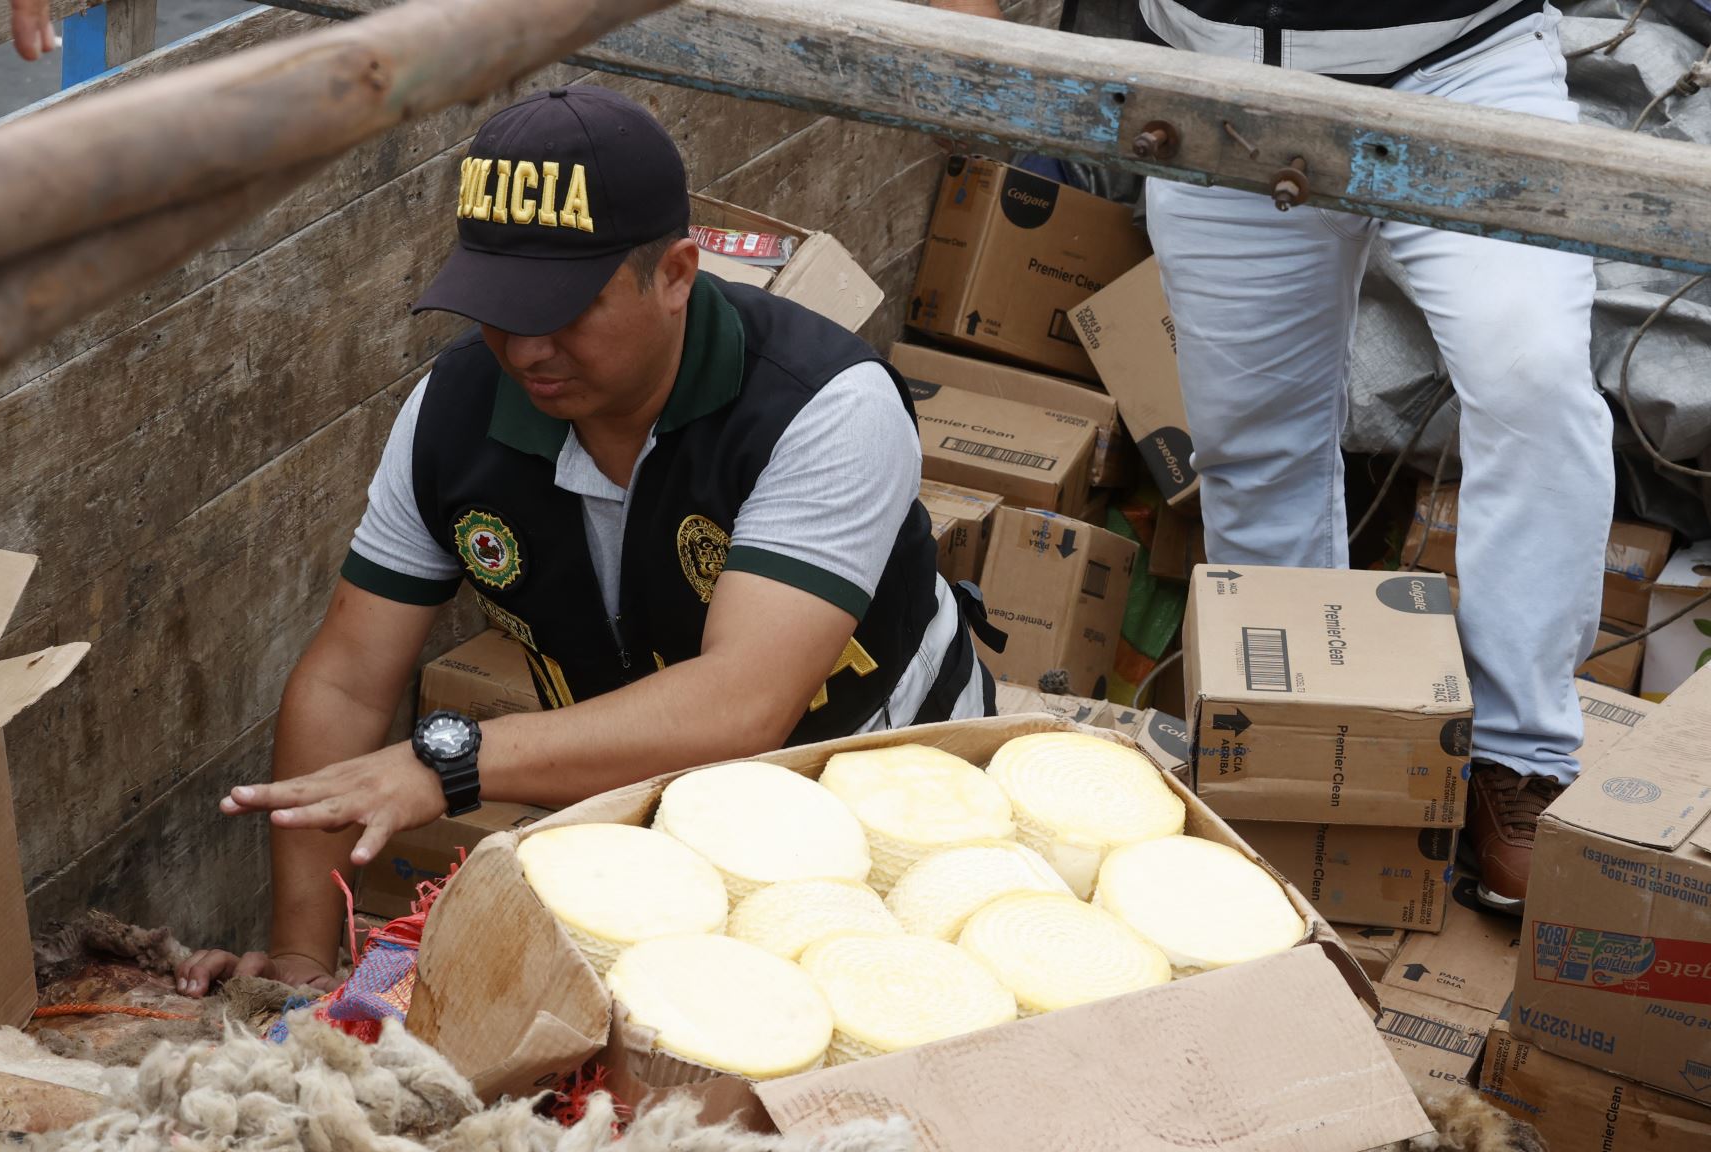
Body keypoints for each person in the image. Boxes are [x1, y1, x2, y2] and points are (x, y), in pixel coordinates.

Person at [175, 85, 991, 995]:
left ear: (678, 273)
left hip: (891, 806)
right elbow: (346, 680)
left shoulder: (825, 407)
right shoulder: (455, 410)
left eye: (565, 307)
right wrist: (299, 958)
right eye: (499, 305)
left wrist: (450, 766)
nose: (526, 348)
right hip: (643, 816)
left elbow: (739, 706)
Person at [934, 0, 1614, 912]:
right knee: (1253, 446)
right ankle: (1303, 750)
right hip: (1225, 80)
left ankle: (1518, 758)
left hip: (1462, 60)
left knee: (1534, 382)